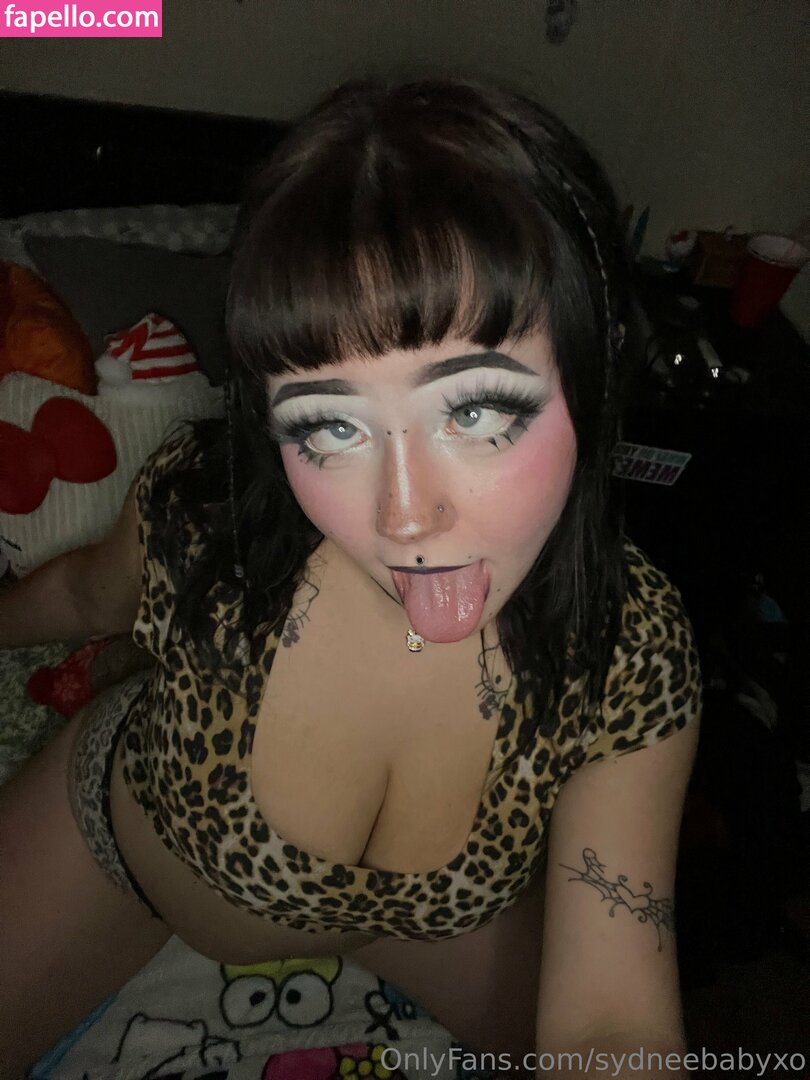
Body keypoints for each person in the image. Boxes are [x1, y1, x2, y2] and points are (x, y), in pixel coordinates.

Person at [0, 78, 701, 1079]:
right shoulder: (209, 519)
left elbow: (614, 1024)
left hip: (424, 928)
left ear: (595, 367)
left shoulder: (629, 648)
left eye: (473, 411)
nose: (403, 515)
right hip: (131, 849)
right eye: (330, 424)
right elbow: (78, 596)